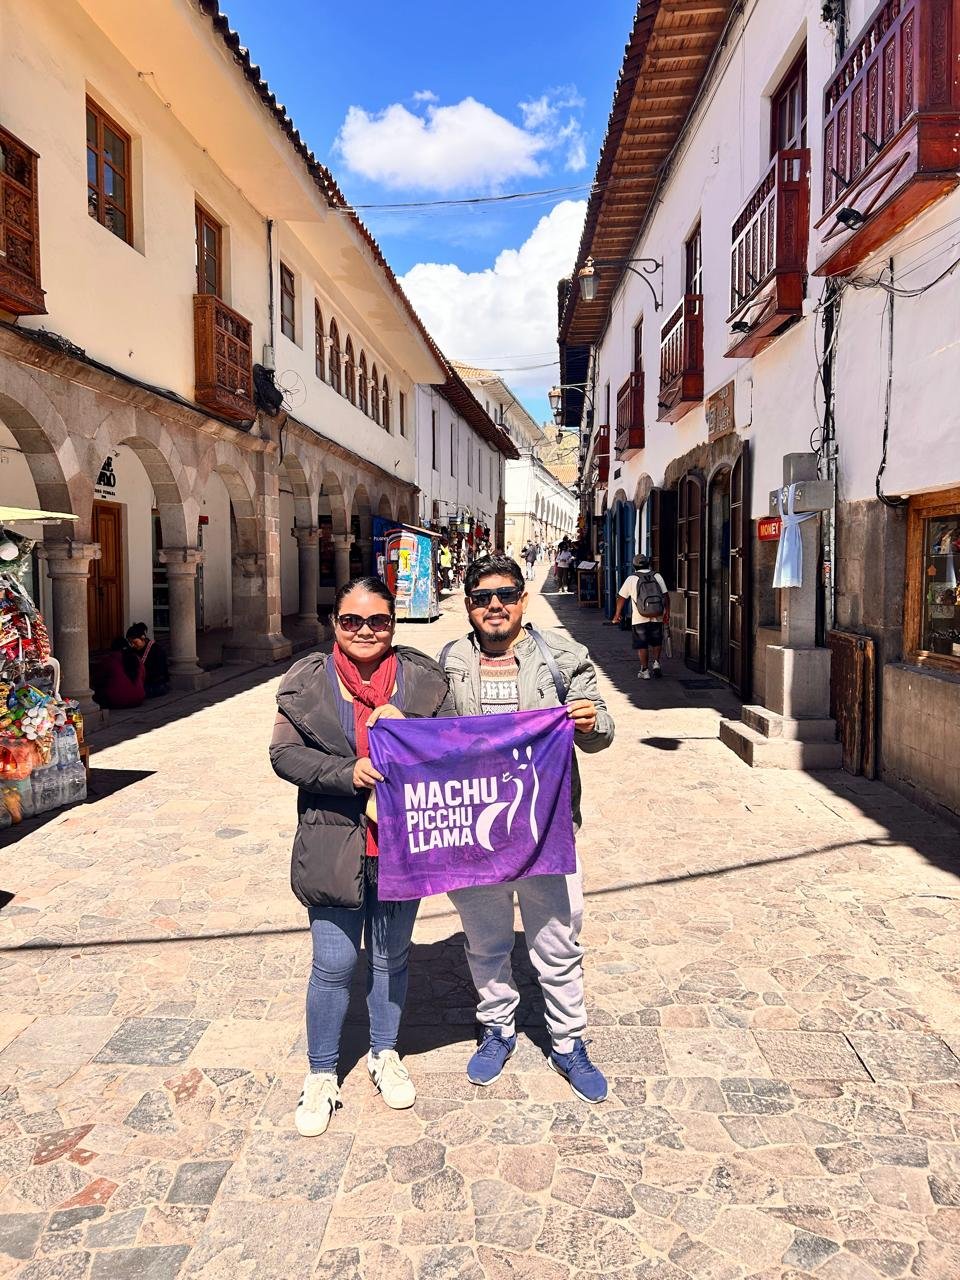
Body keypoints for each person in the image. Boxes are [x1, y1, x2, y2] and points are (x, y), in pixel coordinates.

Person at [270, 576, 454, 1137]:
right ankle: (322, 1071)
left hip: (402, 844)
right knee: (334, 964)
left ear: (393, 624)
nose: (365, 631)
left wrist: (413, 732)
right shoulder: (307, 680)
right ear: (335, 623)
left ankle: (384, 1051)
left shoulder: (424, 680)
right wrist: (346, 773)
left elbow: (455, 747)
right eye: (352, 620)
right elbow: (284, 755)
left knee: (391, 957)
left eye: (378, 620)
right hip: (333, 840)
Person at [440, 554, 615, 1103]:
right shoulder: (447, 662)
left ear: (523, 599)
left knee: (558, 942)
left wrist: (591, 722)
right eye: (481, 597)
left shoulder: (563, 656)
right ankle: (497, 1027)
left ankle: (568, 1041)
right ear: (468, 604)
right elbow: (427, 733)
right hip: (475, 830)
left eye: (505, 595)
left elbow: (603, 729)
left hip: (546, 828)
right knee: (486, 941)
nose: (494, 605)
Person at [610, 553, 670, 679]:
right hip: (657, 615)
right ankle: (656, 663)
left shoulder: (632, 579)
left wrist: (617, 614)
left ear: (634, 566)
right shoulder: (657, 576)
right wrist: (667, 612)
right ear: (648, 564)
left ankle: (644, 670)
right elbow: (666, 596)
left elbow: (621, 598)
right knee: (656, 641)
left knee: (642, 644)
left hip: (639, 618)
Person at [92, 638, 145, 710]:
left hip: (117, 701)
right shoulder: (137, 659)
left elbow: (98, 679)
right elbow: (143, 676)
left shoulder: (109, 660)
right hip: (138, 698)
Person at [125, 623, 169, 697]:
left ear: (142, 637)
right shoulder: (132, 651)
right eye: (130, 642)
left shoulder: (157, 650)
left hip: (156, 684)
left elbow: (160, 673)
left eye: (135, 642)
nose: (132, 645)